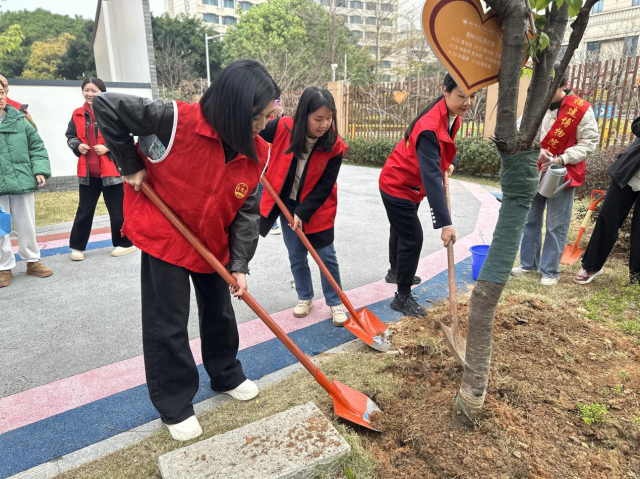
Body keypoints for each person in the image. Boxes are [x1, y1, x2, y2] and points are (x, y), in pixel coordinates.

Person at [93, 59, 280, 442]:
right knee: (169, 323)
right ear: (233, 108)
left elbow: (246, 210)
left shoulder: (256, 152)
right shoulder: (175, 119)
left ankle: (225, 374)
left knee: (220, 313)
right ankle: (176, 405)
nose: (263, 125)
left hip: (213, 242)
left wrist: (240, 263)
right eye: (258, 117)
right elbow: (106, 106)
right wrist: (129, 163)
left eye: (268, 115)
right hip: (166, 235)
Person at [379, 74, 475, 317]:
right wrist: (445, 224)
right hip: (398, 185)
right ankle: (402, 297)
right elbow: (432, 179)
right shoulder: (429, 127)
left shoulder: (451, 114)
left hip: (409, 183)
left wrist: (450, 161)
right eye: (461, 96)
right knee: (412, 238)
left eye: (472, 96)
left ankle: (395, 271)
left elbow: (446, 144)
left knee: (400, 230)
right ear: (445, 91)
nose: (468, 102)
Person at [259, 86, 349, 326]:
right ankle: (305, 297)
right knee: (296, 254)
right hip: (287, 205)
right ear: (304, 115)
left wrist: (303, 211)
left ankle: (335, 301)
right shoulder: (283, 127)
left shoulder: (334, 145)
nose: (324, 124)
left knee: (326, 256)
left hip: (318, 208)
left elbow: (325, 186)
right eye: (318, 118)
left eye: (329, 118)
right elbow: (254, 133)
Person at [512, 70, 599, 286]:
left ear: (564, 85)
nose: (544, 93)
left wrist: (560, 159)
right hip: (535, 168)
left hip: (563, 172)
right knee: (530, 218)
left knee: (556, 224)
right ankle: (528, 263)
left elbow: (589, 142)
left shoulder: (580, 109)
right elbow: (521, 130)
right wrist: (536, 150)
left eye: (550, 88)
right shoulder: (535, 104)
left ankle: (550, 271)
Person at [65, 77, 136, 261]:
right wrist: (77, 145)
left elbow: (126, 137)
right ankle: (77, 247)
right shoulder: (77, 114)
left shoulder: (112, 112)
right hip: (88, 173)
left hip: (112, 172)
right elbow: (70, 135)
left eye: (94, 90)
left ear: (102, 92)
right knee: (84, 211)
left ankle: (125, 243)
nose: (89, 94)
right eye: (86, 90)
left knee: (117, 211)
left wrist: (108, 148)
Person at [575, 115, 640, 285]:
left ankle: (637, 277)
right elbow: (637, 124)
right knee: (607, 218)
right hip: (630, 172)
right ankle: (591, 266)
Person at [0, 82, 52, 288]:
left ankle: (33, 261)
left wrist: (40, 170)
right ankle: (4, 267)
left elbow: (37, 147)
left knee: (26, 224)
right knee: (0, 228)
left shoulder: (21, 120)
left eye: (1, 92)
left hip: (22, 180)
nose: (0, 97)